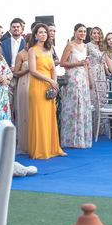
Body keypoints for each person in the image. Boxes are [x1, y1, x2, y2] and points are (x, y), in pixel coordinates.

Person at [28, 23, 65, 159]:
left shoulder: (49, 50)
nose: (43, 34)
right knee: (39, 117)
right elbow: (32, 70)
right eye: (40, 32)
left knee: (50, 116)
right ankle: (40, 150)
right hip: (37, 86)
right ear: (36, 35)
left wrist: (54, 82)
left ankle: (53, 148)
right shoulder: (32, 50)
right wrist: (50, 81)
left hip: (50, 85)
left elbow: (53, 69)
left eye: (45, 32)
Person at [59, 24, 93, 149]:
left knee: (83, 106)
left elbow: (86, 65)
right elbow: (62, 63)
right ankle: (70, 138)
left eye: (84, 31)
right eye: (80, 31)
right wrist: (77, 63)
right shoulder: (70, 45)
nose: (83, 33)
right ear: (75, 32)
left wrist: (89, 79)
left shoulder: (85, 46)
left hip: (83, 77)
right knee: (73, 107)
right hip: (72, 78)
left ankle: (81, 137)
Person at [13, 36, 32, 154]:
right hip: (25, 83)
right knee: (25, 112)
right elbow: (16, 73)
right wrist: (28, 70)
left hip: (37, 83)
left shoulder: (38, 52)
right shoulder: (21, 54)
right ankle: (25, 143)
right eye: (28, 42)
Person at [87, 26, 107, 136]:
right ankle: (92, 128)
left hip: (102, 74)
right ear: (91, 35)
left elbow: (105, 62)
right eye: (94, 33)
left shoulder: (102, 46)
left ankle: (101, 128)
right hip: (92, 73)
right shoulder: (87, 46)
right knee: (93, 99)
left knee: (102, 99)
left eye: (98, 33)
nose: (96, 35)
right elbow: (85, 62)